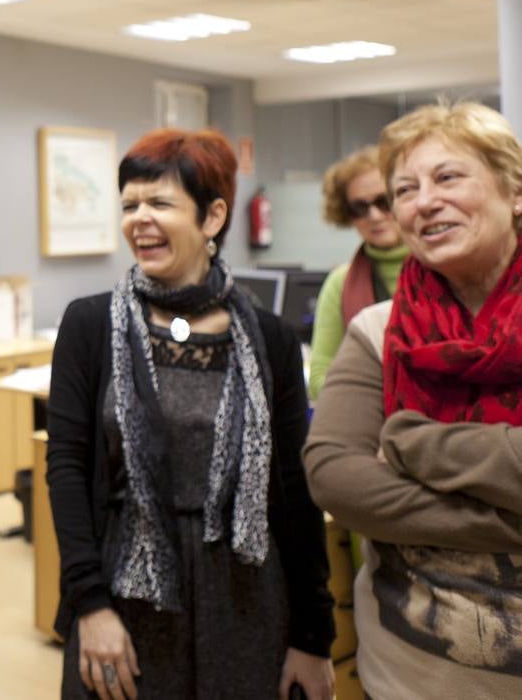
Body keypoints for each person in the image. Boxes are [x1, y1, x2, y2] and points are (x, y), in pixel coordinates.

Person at [304, 101, 522, 696]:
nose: (422, 202)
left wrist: (412, 442)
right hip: (409, 675)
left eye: (447, 177)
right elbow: (334, 476)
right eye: (403, 189)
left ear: (516, 192)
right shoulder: (378, 330)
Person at [47, 129, 335, 700]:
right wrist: (91, 605)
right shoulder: (89, 326)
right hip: (125, 595)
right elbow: (67, 472)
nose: (139, 219)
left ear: (212, 217)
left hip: (247, 597)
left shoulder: (268, 339)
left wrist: (313, 633)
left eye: (159, 203)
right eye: (129, 204)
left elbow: (294, 490)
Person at [308, 146, 409, 398]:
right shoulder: (340, 283)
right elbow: (320, 376)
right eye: (359, 207)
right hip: (367, 428)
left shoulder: (444, 268)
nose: (373, 216)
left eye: (383, 202)